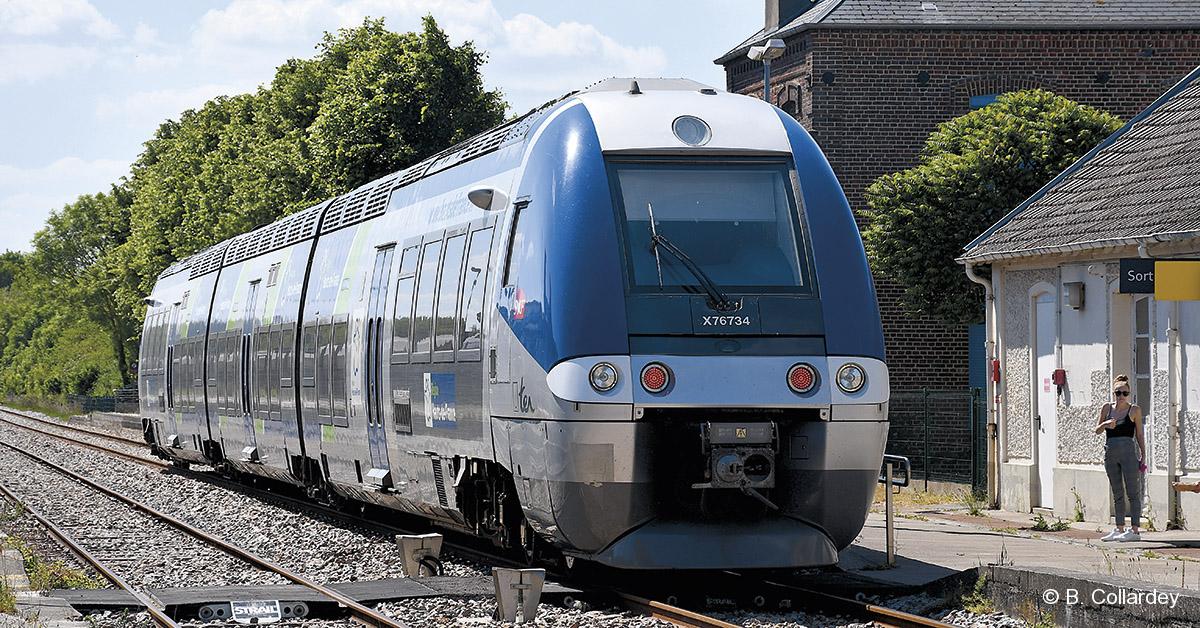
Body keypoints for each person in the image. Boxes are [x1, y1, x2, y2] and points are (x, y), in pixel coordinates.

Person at [1095, 375, 1146, 542]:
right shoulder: (1107, 408)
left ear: (1129, 393)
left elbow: (1139, 434)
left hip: (1129, 453)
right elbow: (1097, 430)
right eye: (1118, 393)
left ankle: (1135, 530)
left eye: (1125, 393)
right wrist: (1106, 424)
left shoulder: (1134, 410)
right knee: (1117, 491)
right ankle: (1119, 528)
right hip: (1110, 452)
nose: (1121, 396)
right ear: (1114, 393)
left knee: (1133, 491)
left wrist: (1143, 454)